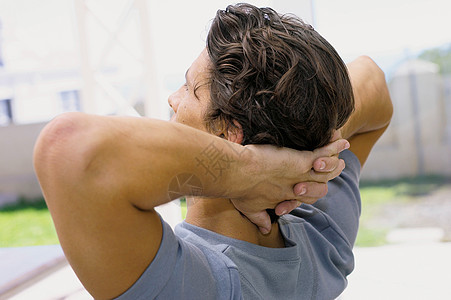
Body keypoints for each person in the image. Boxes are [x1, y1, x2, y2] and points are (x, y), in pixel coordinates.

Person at [34, 3, 392, 300]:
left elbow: (68, 149)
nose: (172, 99)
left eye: (190, 89)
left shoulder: (204, 286)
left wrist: (251, 169)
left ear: (228, 133)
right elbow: (372, 77)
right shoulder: (322, 238)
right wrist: (310, 154)